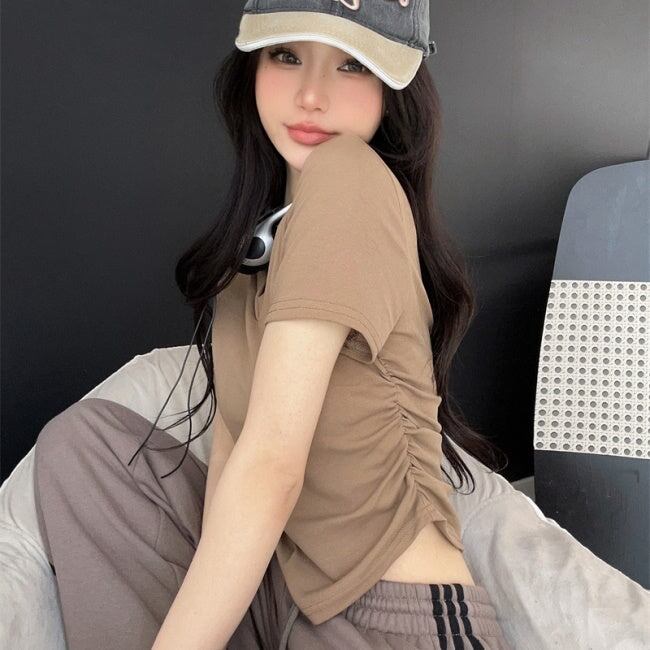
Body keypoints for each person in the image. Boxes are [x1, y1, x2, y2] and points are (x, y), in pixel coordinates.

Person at [33, 1, 511, 648]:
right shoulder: (258, 246)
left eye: (352, 64)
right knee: (88, 450)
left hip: (394, 620)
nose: (311, 95)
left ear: (393, 89)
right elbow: (237, 449)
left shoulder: (350, 180)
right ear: (253, 65)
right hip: (287, 598)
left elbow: (271, 467)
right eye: (286, 55)